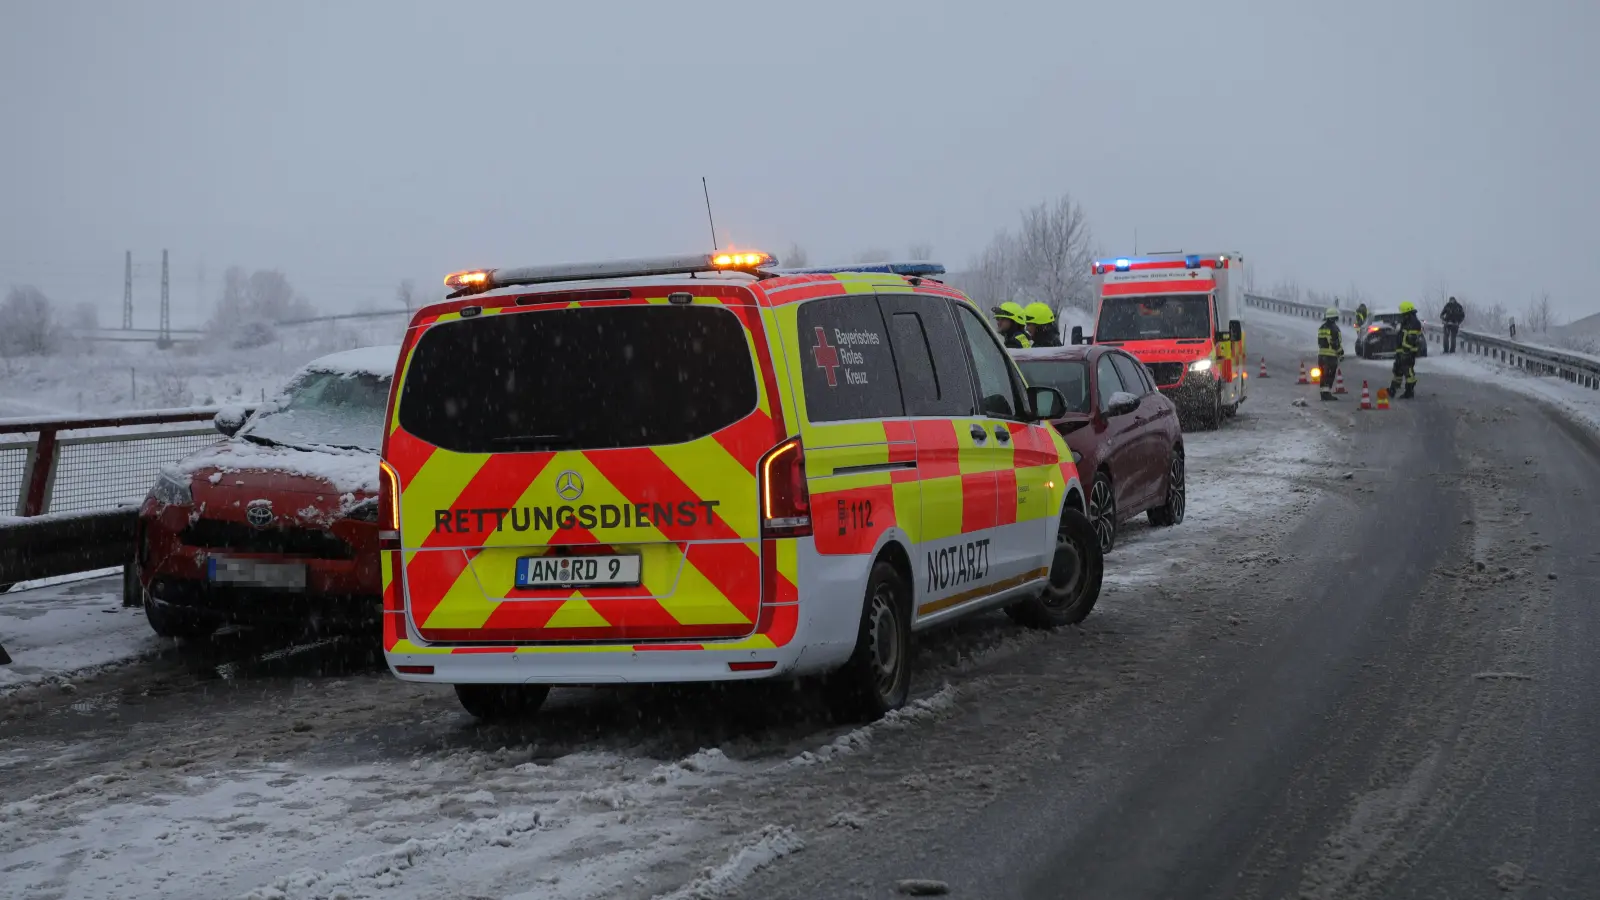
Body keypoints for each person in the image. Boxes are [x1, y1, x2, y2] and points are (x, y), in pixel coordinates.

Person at [1388, 301, 1423, 400]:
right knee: (1398, 370)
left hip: (1408, 352)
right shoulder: (1407, 321)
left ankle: (1409, 391)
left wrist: (1406, 351)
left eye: (1403, 313)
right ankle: (1392, 390)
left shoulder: (1414, 323)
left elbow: (1411, 338)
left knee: (1408, 372)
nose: (1402, 315)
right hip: (1402, 351)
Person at [1317, 307, 1344, 401]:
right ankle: (1327, 394)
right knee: (1329, 375)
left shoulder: (1321, 328)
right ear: (1333, 318)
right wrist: (1341, 353)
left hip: (1321, 355)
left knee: (1323, 375)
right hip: (1331, 356)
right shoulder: (1334, 329)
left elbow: (1320, 342)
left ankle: (1323, 394)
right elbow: (1335, 343)